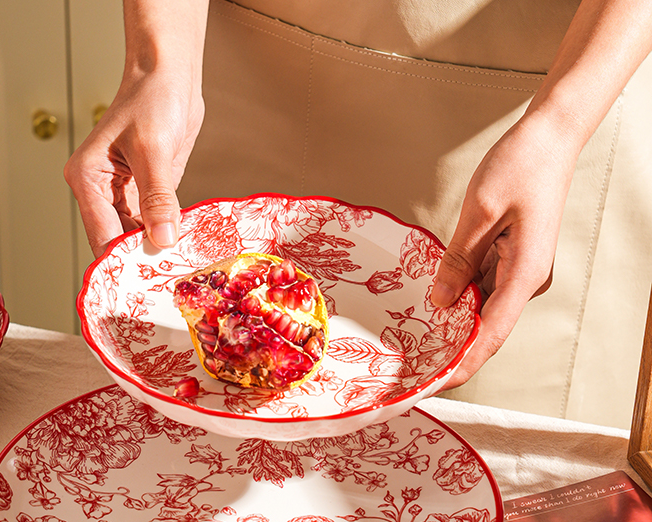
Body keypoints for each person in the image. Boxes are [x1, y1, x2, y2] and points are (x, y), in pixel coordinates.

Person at [65, 0, 652, 428]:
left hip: (551, 96)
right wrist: (155, 61)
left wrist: (560, 126)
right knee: (199, 440)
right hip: (250, 64)